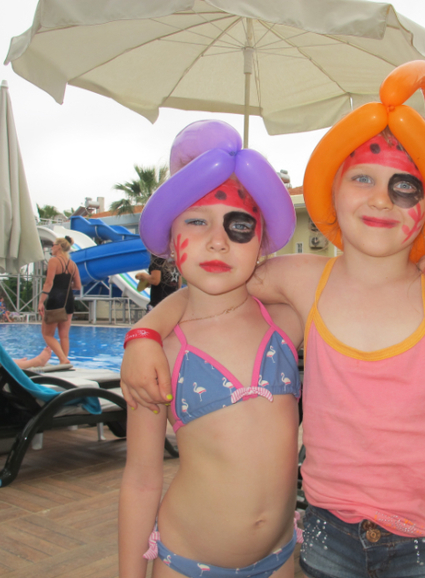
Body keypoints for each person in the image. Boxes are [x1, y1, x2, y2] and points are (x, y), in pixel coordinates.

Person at [122, 61, 425, 577]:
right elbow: (211, 286)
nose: (381, 199)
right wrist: (144, 334)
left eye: (405, 187)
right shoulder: (303, 281)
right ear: (332, 187)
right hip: (328, 541)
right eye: (363, 178)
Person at [119, 119, 304, 578]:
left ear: (261, 241)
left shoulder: (285, 322)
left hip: (281, 558)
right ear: (170, 239)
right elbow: (141, 480)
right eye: (197, 221)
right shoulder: (159, 354)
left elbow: (362, 282)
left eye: (239, 225)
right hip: (187, 564)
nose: (218, 241)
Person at [38, 236, 81, 364]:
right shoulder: (73, 265)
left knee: (47, 334)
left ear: (59, 247)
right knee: (64, 335)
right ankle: (64, 362)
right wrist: (65, 286)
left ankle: (63, 359)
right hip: (68, 300)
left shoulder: (54, 261)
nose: (51, 247)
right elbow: (78, 286)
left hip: (55, 300)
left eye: (53, 245)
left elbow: (48, 283)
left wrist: (41, 301)